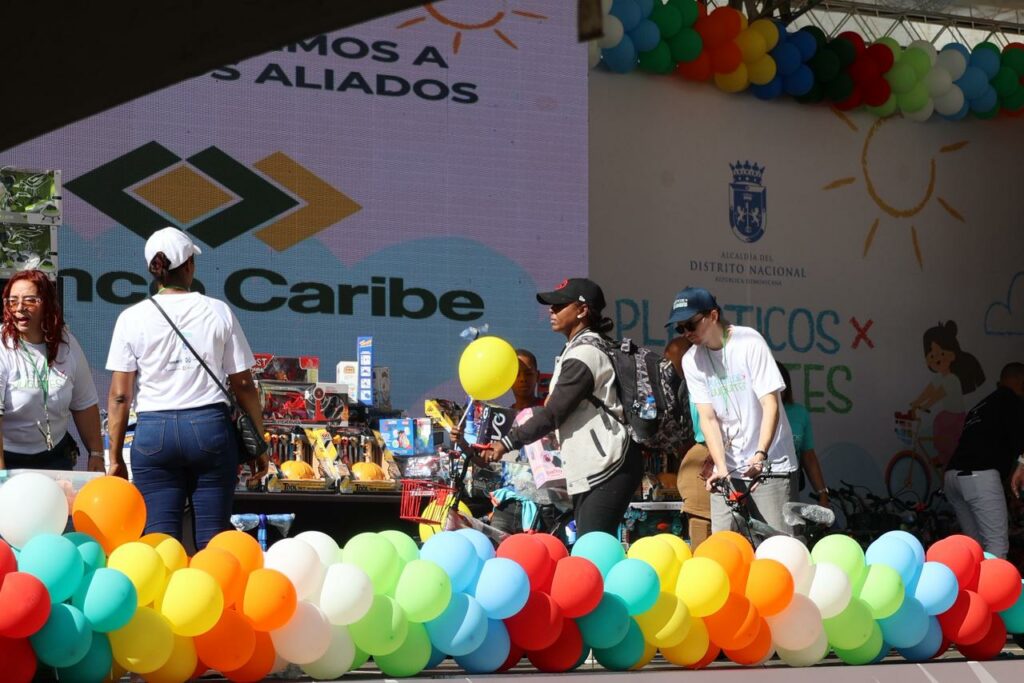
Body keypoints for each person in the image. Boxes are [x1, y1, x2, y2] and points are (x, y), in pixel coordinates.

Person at [105, 227, 266, 549]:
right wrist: (259, 442)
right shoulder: (217, 310)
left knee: (160, 543)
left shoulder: (130, 318)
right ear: (189, 265)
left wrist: (114, 457)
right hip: (209, 430)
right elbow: (244, 384)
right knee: (213, 542)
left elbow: (121, 395)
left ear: (155, 269)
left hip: (154, 434)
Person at [486, 278, 639, 537]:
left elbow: (553, 413)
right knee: (591, 546)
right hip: (596, 466)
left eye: (559, 305)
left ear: (582, 310)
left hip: (609, 464)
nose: (551, 311)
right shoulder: (578, 348)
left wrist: (505, 443)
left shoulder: (585, 354)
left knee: (593, 548)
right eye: (551, 306)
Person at [666, 286, 798, 535]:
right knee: (724, 549)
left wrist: (760, 454)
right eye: (679, 328)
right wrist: (722, 470)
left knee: (775, 546)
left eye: (691, 325)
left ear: (713, 315)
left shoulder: (748, 342)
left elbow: (770, 404)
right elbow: (708, 418)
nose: (686, 333)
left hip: (770, 465)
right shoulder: (692, 360)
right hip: (727, 467)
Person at [0, 270, 103, 471]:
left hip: (56, 456)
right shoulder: (3, 347)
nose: (19, 308)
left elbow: (85, 405)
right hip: (9, 458)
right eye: (12, 301)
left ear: (46, 303)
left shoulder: (67, 345)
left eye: (30, 300)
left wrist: (96, 454)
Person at [942, 362, 1024, 559]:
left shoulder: (981, 406)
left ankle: (976, 589)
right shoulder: (1011, 400)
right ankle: (995, 590)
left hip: (953, 477)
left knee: (976, 549)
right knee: (997, 546)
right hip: (979, 477)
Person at [909, 321, 985, 465]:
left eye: (942, 353)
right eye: (932, 355)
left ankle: (945, 457)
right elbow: (929, 390)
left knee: (939, 421)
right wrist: (917, 402)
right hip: (949, 416)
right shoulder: (939, 377)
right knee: (941, 423)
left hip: (956, 417)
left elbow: (938, 394)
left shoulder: (951, 379)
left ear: (952, 355)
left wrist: (926, 405)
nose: (937, 358)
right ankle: (945, 457)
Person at [665, 336, 711, 549]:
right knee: (699, 524)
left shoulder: (708, 378)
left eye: (676, 362)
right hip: (700, 454)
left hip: (714, 453)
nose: (673, 369)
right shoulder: (685, 385)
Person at [776, 362, 830, 508]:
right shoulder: (751, 413)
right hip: (756, 488)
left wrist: (822, 494)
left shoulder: (799, 413)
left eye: (778, 385)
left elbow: (808, 455)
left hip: (789, 487)